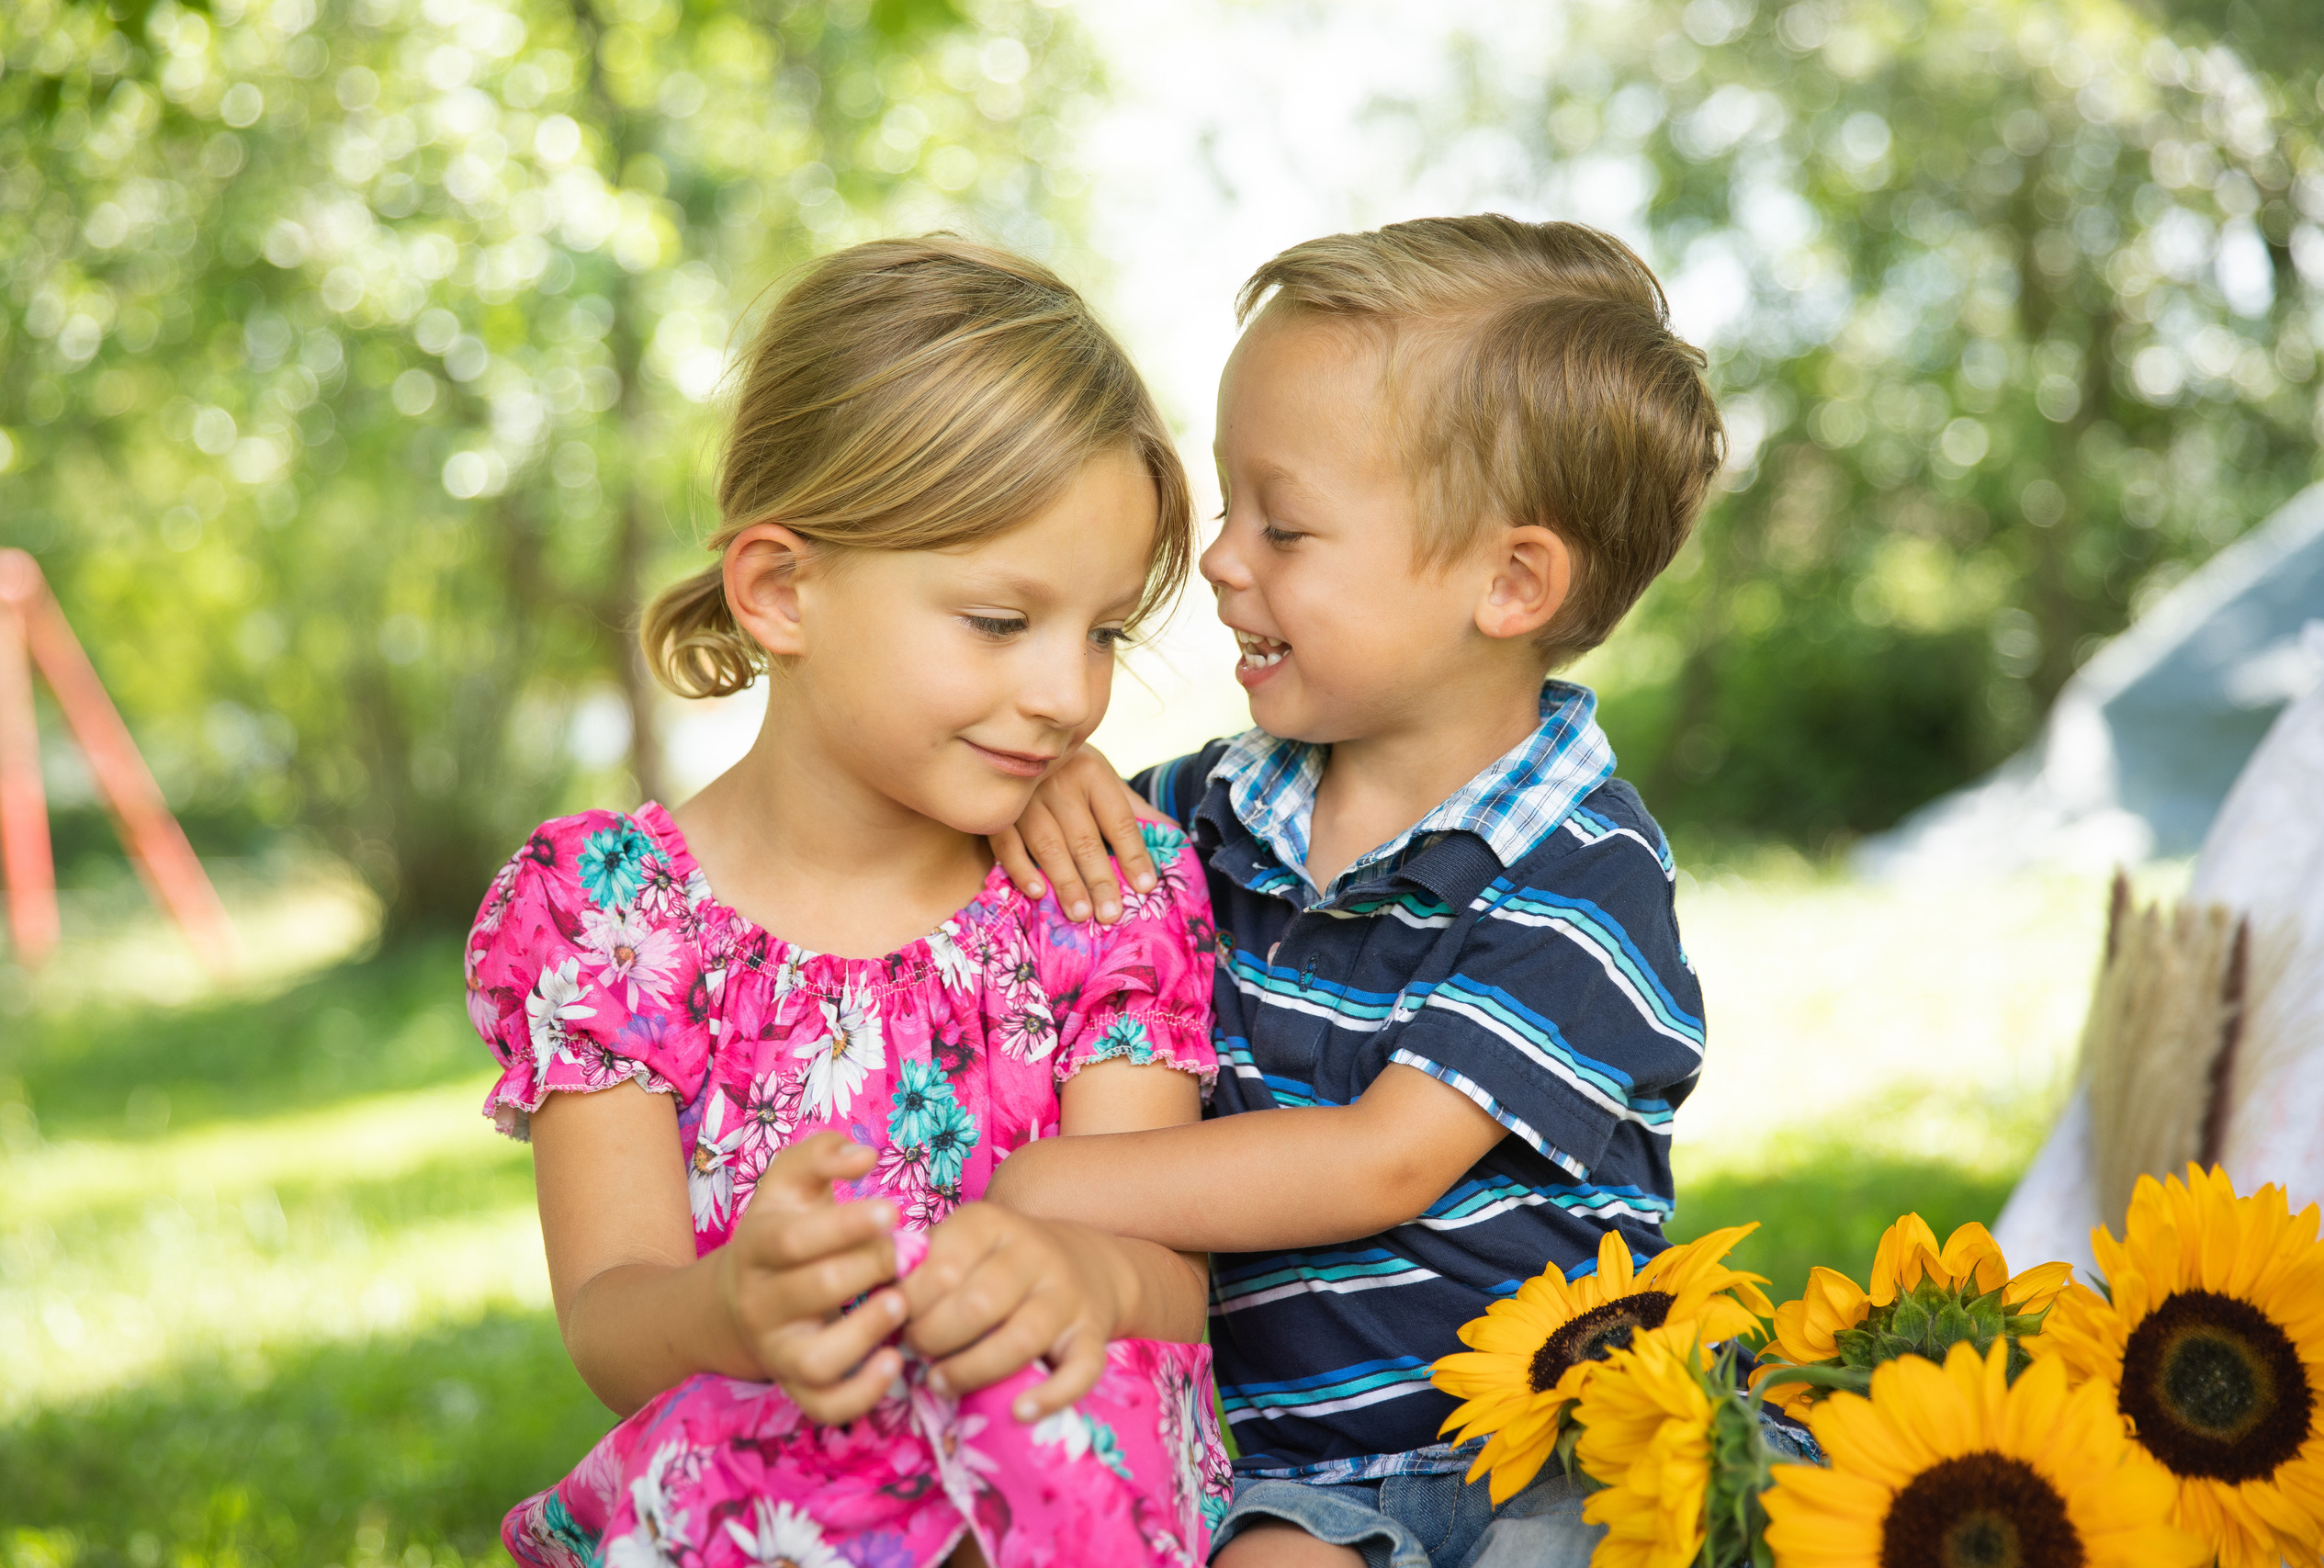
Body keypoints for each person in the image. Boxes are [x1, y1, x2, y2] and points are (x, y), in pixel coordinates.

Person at [462, 238, 1235, 1568]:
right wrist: (728, 1309)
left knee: (1046, 1416)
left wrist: (1083, 1279)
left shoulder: (1102, 894)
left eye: (1101, 632)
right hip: (765, 1485)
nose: (1066, 694)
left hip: (1054, 1462)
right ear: (781, 590)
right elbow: (610, 1321)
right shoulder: (611, 918)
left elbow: (1173, 1287)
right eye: (1002, 623)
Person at [984, 216, 1724, 1568]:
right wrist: (1051, 780)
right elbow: (1041, 874)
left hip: (1531, 1457)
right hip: (1285, 1478)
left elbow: (1379, 1160)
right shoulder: (1203, 810)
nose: (1220, 560)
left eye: (1286, 525)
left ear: (1509, 582)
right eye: (1226, 510)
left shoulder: (1582, 873)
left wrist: (1045, 1185)